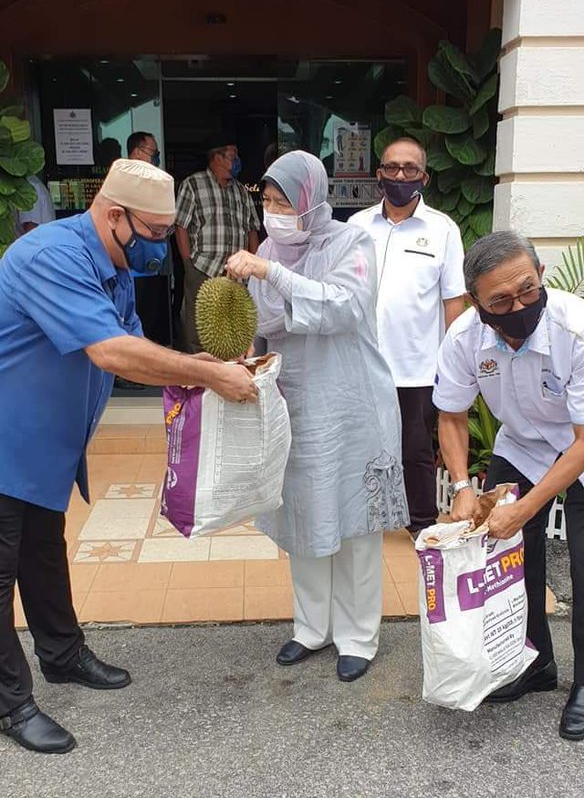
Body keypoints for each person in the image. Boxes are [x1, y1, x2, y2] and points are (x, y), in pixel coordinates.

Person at [0, 158, 257, 757]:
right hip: (8, 441)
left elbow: (137, 342)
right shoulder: (53, 257)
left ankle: (61, 654)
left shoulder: (112, 262)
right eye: (155, 232)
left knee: (42, 552)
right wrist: (207, 374)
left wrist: (198, 368)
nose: (160, 246)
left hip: (43, 447)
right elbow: (112, 352)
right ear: (114, 215)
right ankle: (10, 702)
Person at [226, 150, 409, 683]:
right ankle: (311, 627)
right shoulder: (268, 250)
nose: (274, 212)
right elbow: (265, 324)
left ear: (311, 199)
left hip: (352, 405)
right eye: (268, 201)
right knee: (303, 515)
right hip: (299, 404)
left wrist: (273, 274)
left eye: (285, 202)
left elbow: (344, 307)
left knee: (354, 524)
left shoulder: (352, 242)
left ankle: (358, 635)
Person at [434, 229, 584, 742]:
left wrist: (526, 507)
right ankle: (533, 662)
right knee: (508, 558)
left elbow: (581, 442)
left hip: (580, 445)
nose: (518, 306)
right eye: (500, 300)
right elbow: (451, 416)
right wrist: (461, 486)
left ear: (541, 276)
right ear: (476, 303)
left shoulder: (575, 330)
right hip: (521, 444)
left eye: (527, 290)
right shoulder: (463, 338)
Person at [350, 137, 465, 536]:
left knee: (415, 450)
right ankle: (364, 517)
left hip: (417, 366)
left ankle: (421, 524)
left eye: (410, 169)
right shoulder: (357, 227)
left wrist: (452, 366)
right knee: (361, 444)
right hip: (363, 361)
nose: (400, 175)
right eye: (392, 168)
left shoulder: (443, 230)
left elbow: (453, 302)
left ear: (424, 177)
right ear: (379, 174)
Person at [175, 143, 260, 353]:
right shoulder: (193, 185)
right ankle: (199, 371)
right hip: (203, 267)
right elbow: (181, 225)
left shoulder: (241, 191)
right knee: (198, 330)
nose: (237, 160)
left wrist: (255, 262)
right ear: (217, 157)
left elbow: (252, 229)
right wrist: (188, 264)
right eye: (233, 156)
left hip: (237, 271)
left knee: (234, 329)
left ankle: (230, 368)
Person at [126, 130, 173, 351]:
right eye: (153, 152)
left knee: (149, 325)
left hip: (153, 266)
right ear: (137, 153)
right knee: (131, 325)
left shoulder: (154, 182)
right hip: (130, 269)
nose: (156, 157)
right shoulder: (124, 182)